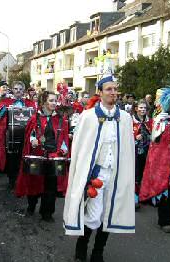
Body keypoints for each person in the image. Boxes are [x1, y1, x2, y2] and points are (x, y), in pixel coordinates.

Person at [63, 75, 135, 262]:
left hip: (116, 174)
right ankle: (81, 249)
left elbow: (128, 150)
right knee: (92, 215)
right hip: (96, 174)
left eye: (115, 89)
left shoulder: (125, 118)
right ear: (100, 92)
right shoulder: (88, 116)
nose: (113, 93)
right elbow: (80, 148)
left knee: (109, 214)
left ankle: (98, 252)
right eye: (109, 89)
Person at [15, 91, 69, 222]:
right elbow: (30, 134)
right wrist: (33, 139)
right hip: (38, 155)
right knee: (34, 183)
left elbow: (64, 138)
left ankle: (47, 213)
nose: (54, 103)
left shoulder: (61, 119)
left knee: (51, 187)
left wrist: (64, 148)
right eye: (51, 100)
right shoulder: (35, 118)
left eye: (55, 101)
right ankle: (31, 207)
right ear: (44, 101)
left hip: (53, 156)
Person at [140, 87, 170, 233]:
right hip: (163, 159)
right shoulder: (161, 118)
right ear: (167, 104)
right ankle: (163, 220)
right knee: (165, 188)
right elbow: (155, 140)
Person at [133, 99, 152, 210]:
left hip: (146, 151)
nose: (143, 110)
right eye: (140, 108)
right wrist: (134, 137)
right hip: (134, 152)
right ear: (136, 109)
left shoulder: (149, 121)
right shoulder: (131, 120)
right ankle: (134, 200)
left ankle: (143, 196)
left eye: (144, 108)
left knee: (144, 174)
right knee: (135, 175)